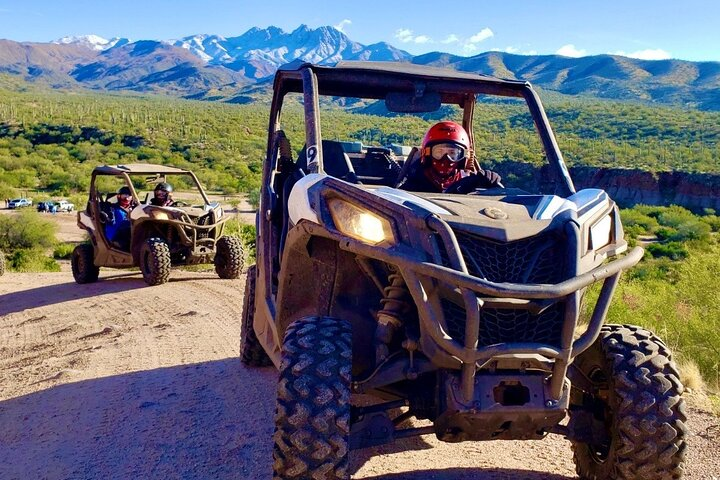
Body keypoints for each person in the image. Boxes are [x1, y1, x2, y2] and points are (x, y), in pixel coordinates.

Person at [396, 121, 502, 193]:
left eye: (452, 153)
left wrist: (489, 184)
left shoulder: (470, 180)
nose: (446, 158)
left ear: (463, 156)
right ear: (427, 153)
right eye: (439, 152)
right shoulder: (413, 184)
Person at [105, 186, 134, 250]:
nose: (127, 198)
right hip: (116, 236)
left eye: (129, 195)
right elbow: (110, 221)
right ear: (119, 196)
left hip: (130, 235)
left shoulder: (134, 208)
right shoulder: (112, 208)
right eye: (124, 195)